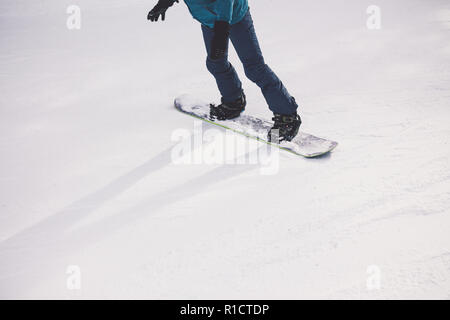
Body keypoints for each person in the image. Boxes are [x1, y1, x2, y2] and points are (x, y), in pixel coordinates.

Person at [148, 0, 302, 142]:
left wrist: (222, 31)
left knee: (254, 67)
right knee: (215, 63)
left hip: (235, 16)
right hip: (208, 20)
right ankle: (233, 102)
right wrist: (165, 2)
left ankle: (287, 117)